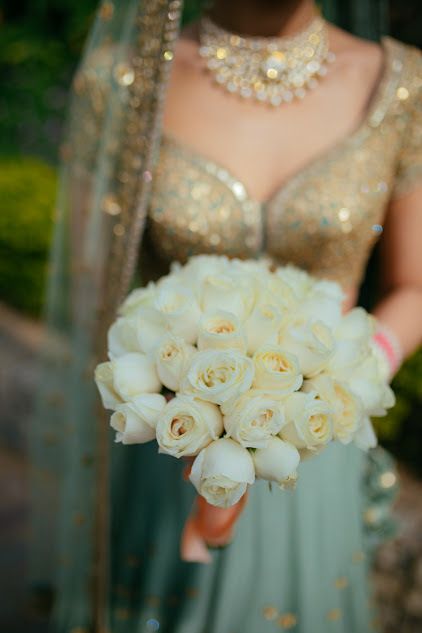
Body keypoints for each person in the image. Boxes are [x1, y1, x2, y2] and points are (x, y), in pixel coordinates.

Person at [30, 1, 422, 632]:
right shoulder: (123, 78)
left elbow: (414, 286)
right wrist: (176, 394)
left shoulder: (403, 85)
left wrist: (342, 372)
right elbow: (95, 286)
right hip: (168, 439)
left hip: (313, 439)